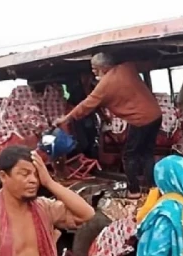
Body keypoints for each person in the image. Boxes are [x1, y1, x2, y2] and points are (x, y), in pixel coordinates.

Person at [55, 52, 162, 199]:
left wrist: (66, 118)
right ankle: (153, 187)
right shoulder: (127, 67)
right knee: (147, 153)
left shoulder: (104, 86)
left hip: (140, 120)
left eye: (94, 68)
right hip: (156, 115)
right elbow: (148, 63)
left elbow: (86, 105)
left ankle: (134, 191)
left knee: (129, 155)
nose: (93, 71)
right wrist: (158, 57)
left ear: (103, 67)